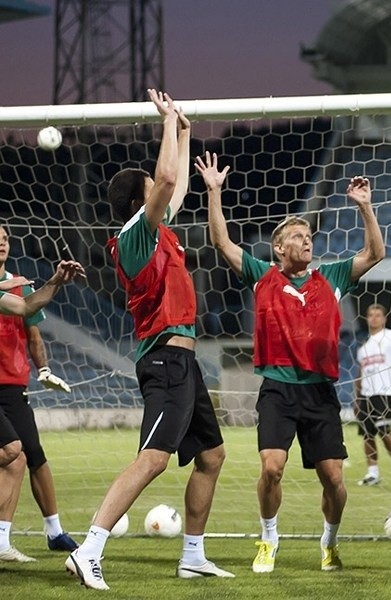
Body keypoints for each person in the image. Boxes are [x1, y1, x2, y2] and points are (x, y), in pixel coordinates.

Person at [65, 90, 232, 591]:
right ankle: (88, 549)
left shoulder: (156, 232)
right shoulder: (134, 235)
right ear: (140, 203)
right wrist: (164, 124)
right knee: (154, 459)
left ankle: (193, 555)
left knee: (212, 456)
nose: (163, 192)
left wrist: (182, 132)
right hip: (164, 362)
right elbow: (165, 180)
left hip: (185, 362)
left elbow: (171, 185)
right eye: (152, 191)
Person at [195, 151, 384, 574]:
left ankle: (329, 542)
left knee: (334, 479)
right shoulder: (263, 275)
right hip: (277, 390)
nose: (307, 241)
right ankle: (268, 539)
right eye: (299, 236)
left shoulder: (331, 277)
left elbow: (374, 254)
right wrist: (214, 192)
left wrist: (365, 208)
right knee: (272, 468)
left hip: (319, 391)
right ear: (279, 248)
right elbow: (222, 242)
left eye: (309, 237)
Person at [0, 225, 79, 557]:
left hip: (13, 384)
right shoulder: (10, 287)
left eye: (4, 239)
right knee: (12, 453)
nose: (0, 244)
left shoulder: (15, 288)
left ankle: (10, 540)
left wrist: (55, 281)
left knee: (20, 456)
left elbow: (26, 310)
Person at [354, 303, 391, 486]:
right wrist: (357, 398)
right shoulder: (363, 346)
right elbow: (360, 373)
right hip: (367, 394)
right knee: (367, 434)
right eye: (370, 314)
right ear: (366, 318)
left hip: (385, 391)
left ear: (384, 318)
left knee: (383, 428)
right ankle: (372, 473)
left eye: (378, 314)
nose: (374, 318)